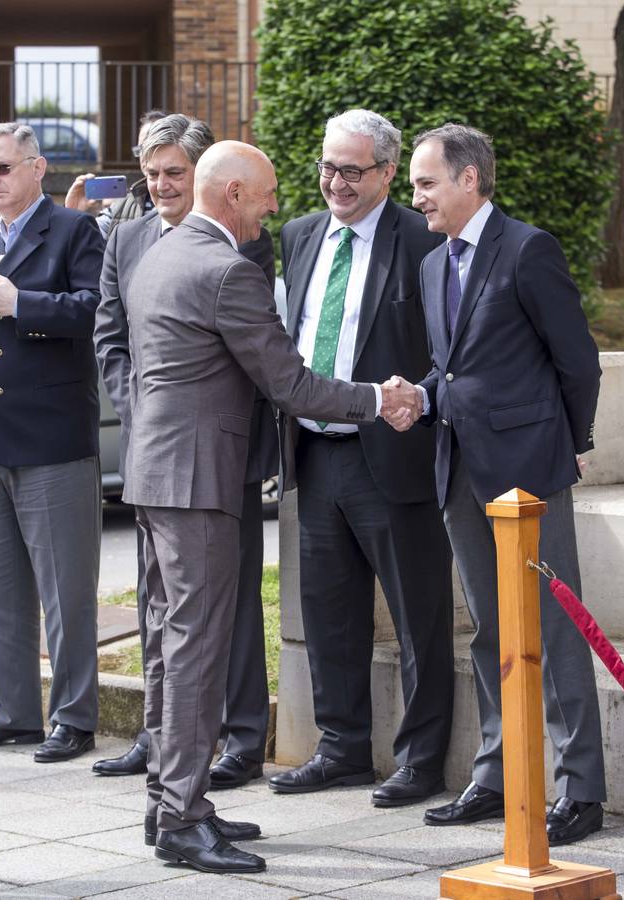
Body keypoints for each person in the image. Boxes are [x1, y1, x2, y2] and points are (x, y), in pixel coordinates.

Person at [124, 139, 421, 874]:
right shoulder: (227, 270)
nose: (271, 207)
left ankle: (169, 799)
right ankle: (185, 819)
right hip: (198, 482)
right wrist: (378, 400)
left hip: (155, 476)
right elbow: (291, 383)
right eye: (263, 195)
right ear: (231, 195)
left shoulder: (159, 254)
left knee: (168, 643)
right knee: (196, 649)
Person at [405, 123, 607, 846]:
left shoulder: (529, 249)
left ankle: (579, 789)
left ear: (468, 180)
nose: (416, 196)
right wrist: (420, 398)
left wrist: (569, 446)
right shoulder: (433, 264)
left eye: (426, 182)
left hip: (530, 474)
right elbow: (453, 370)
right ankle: (496, 776)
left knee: (555, 628)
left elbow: (578, 363)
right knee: (489, 631)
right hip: (458, 469)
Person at [269, 109, 453, 808]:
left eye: (351, 170)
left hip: (395, 458)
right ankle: (341, 748)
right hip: (316, 453)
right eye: (326, 166)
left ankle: (422, 759)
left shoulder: (421, 238)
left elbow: (447, 347)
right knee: (329, 614)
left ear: (385, 172)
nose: (334, 183)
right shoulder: (301, 236)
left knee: (418, 616)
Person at [92, 113, 277, 788]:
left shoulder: (244, 242)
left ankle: (240, 738)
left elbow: (260, 358)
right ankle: (166, 746)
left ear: (203, 178)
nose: (162, 185)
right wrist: (146, 411)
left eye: (175, 173)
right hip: (154, 452)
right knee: (164, 611)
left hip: (221, 456)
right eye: (152, 175)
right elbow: (109, 336)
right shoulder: (128, 238)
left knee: (227, 609)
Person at [0, 123, 107, 763]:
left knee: (65, 590)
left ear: (37, 169)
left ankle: (73, 716)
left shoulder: (73, 231)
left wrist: (20, 303)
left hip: (51, 438)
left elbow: (96, 311)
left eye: (3, 168)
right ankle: (12, 712)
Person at [67, 109, 166, 237]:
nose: (146, 155)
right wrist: (72, 214)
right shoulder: (120, 207)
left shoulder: (191, 203)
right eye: (141, 148)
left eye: (153, 146)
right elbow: (87, 241)